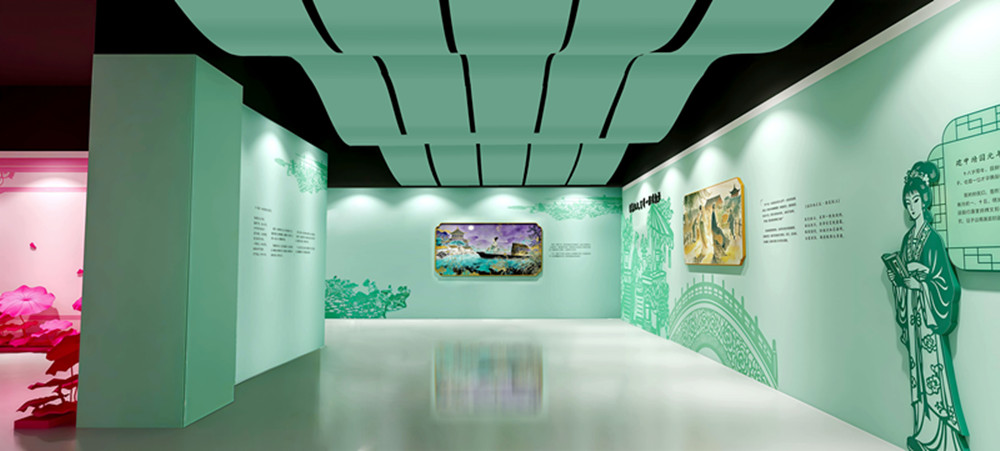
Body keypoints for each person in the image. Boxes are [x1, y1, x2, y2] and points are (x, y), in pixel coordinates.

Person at [886, 161, 969, 451]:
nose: (912, 207)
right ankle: (922, 431)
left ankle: (942, 439)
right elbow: (904, 274)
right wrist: (899, 280)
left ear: (925, 200)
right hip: (913, 315)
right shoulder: (907, 239)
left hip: (928, 318)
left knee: (932, 372)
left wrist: (920, 284)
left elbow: (944, 282)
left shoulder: (932, 239)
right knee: (918, 374)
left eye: (916, 200)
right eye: (907, 202)